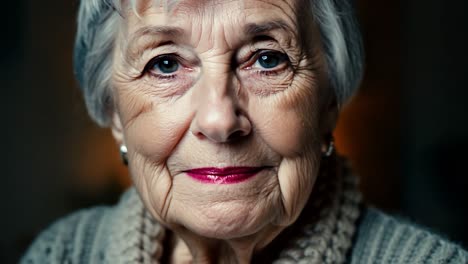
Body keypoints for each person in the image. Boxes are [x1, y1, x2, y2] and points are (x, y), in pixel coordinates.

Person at [21, 0, 467, 263]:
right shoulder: (63, 252)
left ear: (329, 101)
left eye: (268, 59)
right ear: (115, 111)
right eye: (166, 63)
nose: (219, 121)